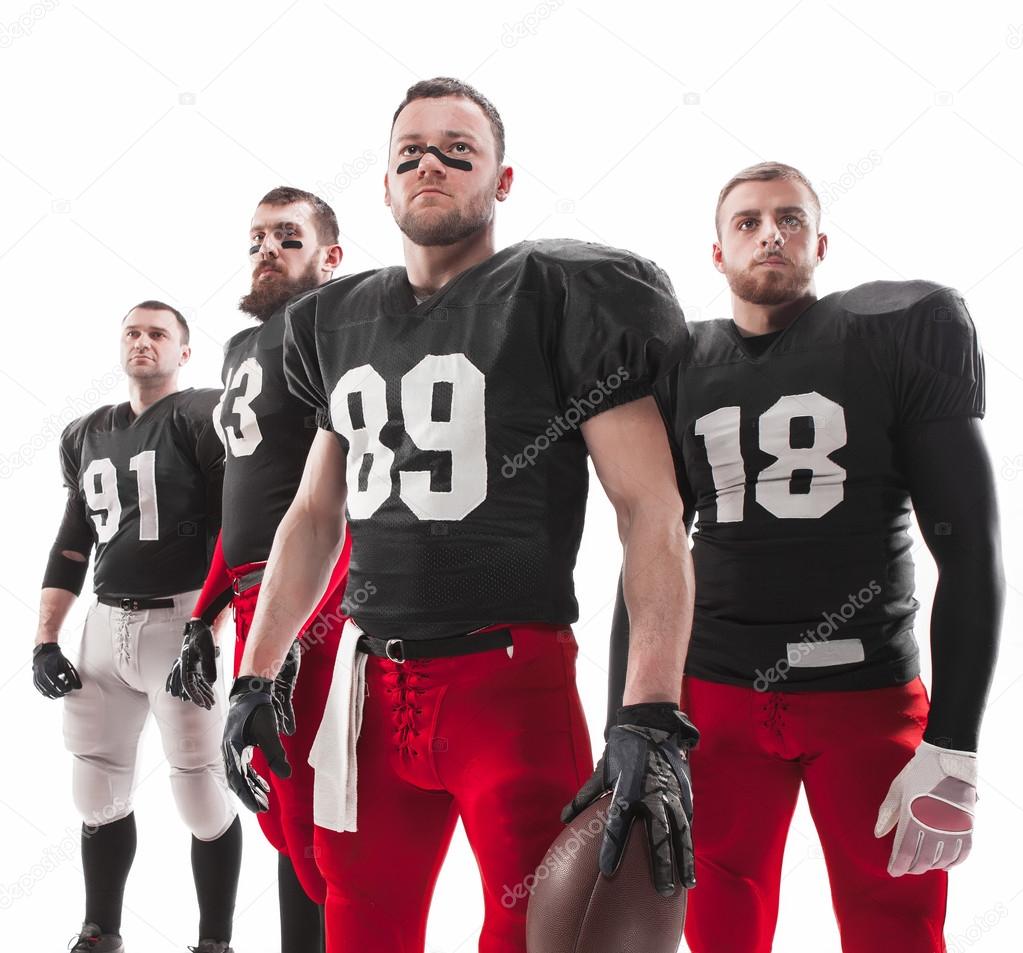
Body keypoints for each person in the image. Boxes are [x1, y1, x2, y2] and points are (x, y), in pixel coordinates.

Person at [221, 77, 698, 953]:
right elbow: (314, 514)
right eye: (409, 153)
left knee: (527, 933)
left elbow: (650, 510)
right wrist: (257, 672)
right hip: (372, 688)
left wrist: (649, 711)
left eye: (456, 149)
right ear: (385, 186)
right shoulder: (333, 318)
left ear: (502, 181)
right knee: (360, 925)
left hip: (507, 684)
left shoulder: (559, 291)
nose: (428, 163)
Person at [609, 161, 1004, 952]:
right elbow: (648, 546)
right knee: (718, 920)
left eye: (789, 220)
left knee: (896, 926)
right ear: (715, 254)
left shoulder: (895, 332)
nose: (770, 234)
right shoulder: (679, 361)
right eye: (747, 221)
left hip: (865, 696)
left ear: (819, 243)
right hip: (714, 695)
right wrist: (629, 721)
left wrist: (954, 743)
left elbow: (969, 550)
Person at [166, 186, 349, 953]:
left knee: (320, 814)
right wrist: (201, 617)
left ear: (330, 257)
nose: (266, 249)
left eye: (287, 236)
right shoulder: (242, 349)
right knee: (275, 805)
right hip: (251, 601)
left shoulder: (334, 328)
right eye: (255, 239)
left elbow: (346, 492)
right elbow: (238, 502)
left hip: (312, 598)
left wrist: (303, 624)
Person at [34, 302, 240, 953]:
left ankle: (214, 941)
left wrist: (210, 625)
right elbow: (71, 545)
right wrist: (44, 638)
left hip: (183, 618)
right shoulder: (85, 432)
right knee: (94, 786)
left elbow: (234, 534)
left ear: (184, 351)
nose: (143, 341)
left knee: (200, 791)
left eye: (159, 333)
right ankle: (103, 929)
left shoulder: (201, 416)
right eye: (132, 331)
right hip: (104, 624)